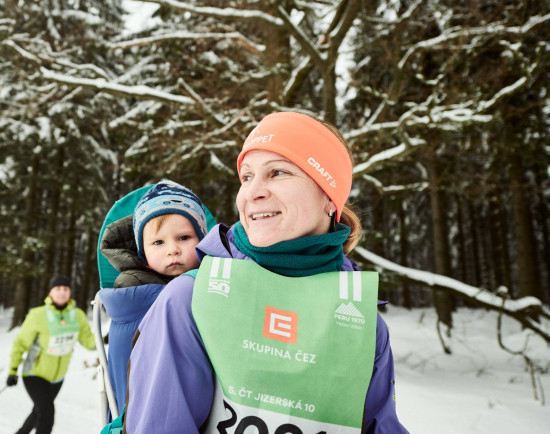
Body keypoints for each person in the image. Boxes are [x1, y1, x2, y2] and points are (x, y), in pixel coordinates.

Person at [124, 112, 408, 433]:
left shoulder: (360, 322)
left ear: (330, 198)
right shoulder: (191, 299)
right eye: (246, 177)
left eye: (277, 172)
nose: (253, 192)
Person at [98, 180, 210, 414]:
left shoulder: (212, 285)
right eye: (158, 242)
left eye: (184, 238)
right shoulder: (134, 291)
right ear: (143, 254)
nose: (172, 249)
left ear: (203, 240)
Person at [7, 275, 96, 434]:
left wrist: (106, 338)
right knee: (48, 414)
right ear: (50, 293)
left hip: (57, 378)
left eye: (65, 289)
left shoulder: (78, 316)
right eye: (58, 289)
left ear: (70, 293)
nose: (62, 292)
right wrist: (12, 370)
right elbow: (20, 343)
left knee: (38, 412)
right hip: (34, 374)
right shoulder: (38, 315)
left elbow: (89, 341)